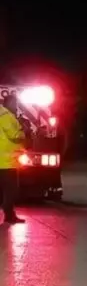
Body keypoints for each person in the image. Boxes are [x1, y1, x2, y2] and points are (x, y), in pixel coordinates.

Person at [0, 93, 26, 224]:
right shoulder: (6, 116)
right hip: (7, 162)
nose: (16, 106)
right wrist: (23, 131)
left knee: (5, 190)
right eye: (15, 103)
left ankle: (9, 214)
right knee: (11, 190)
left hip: (4, 161)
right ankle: (9, 215)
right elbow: (14, 135)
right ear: (9, 103)